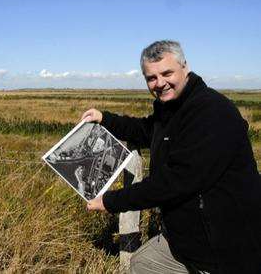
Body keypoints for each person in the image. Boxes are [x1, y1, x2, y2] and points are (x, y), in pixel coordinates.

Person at [82, 40, 261, 273]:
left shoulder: (211, 112)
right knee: (142, 263)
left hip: (226, 244)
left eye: (167, 73)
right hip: (187, 239)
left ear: (185, 67)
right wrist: (105, 119)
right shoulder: (170, 109)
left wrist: (110, 201)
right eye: (151, 78)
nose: (160, 83)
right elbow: (147, 130)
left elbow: (175, 182)